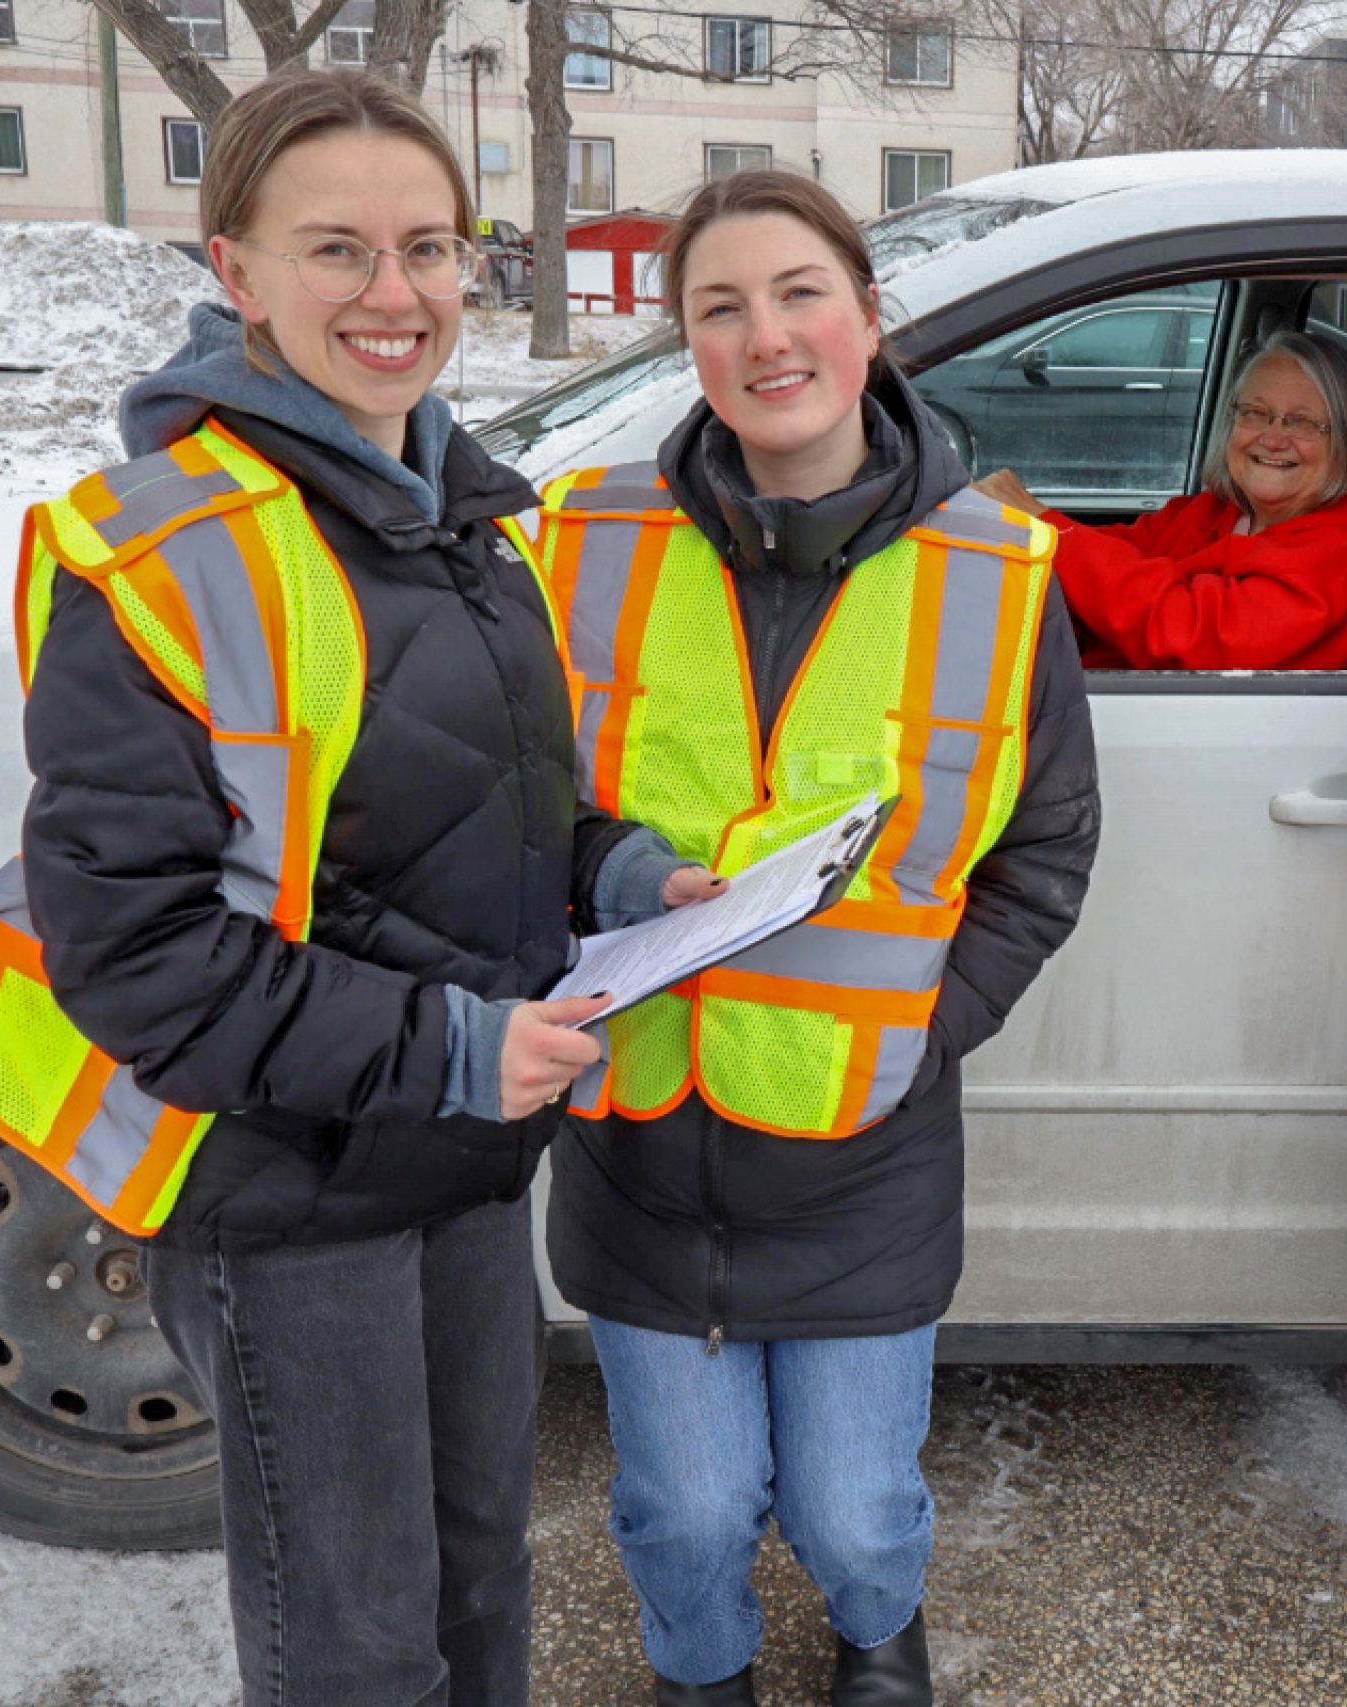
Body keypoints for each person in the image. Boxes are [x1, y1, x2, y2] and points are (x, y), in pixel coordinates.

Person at [0, 69, 623, 1706]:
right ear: (234, 269)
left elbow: (482, 820)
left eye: (431, 248)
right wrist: (462, 1050)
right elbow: (145, 961)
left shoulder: (479, 528)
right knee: (358, 1636)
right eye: (337, 251)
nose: (396, 296)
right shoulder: (155, 548)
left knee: (482, 1570)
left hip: (462, 1165)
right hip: (278, 1191)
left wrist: (633, 869)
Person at [534, 169, 1100, 1707]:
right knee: (687, 1508)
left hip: (865, 1153)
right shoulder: (586, 546)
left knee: (857, 1509)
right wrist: (629, 864)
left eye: (799, 294)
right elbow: (528, 811)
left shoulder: (995, 574)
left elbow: (1044, 852)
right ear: (683, 344)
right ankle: (700, 1665)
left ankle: (877, 1625)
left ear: (868, 316)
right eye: (719, 305)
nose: (765, 334)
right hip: (644, 1143)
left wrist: (925, 1022)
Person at [974, 330, 1347, 670]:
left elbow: (1193, 637)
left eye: (1303, 423)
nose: (1273, 438)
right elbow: (1116, 557)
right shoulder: (1217, 514)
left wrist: (1048, 530)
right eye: (1255, 413)